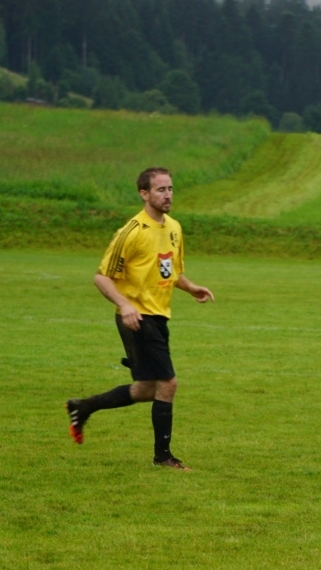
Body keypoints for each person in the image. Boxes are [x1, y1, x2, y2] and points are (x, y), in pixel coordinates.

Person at [65, 167, 215, 470]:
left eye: (170, 188)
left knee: (147, 389)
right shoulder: (132, 232)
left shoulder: (174, 228)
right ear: (144, 194)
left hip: (158, 316)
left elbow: (171, 271)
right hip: (137, 318)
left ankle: (83, 407)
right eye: (161, 190)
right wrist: (125, 305)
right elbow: (101, 278)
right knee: (168, 383)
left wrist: (190, 287)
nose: (168, 195)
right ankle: (164, 457)